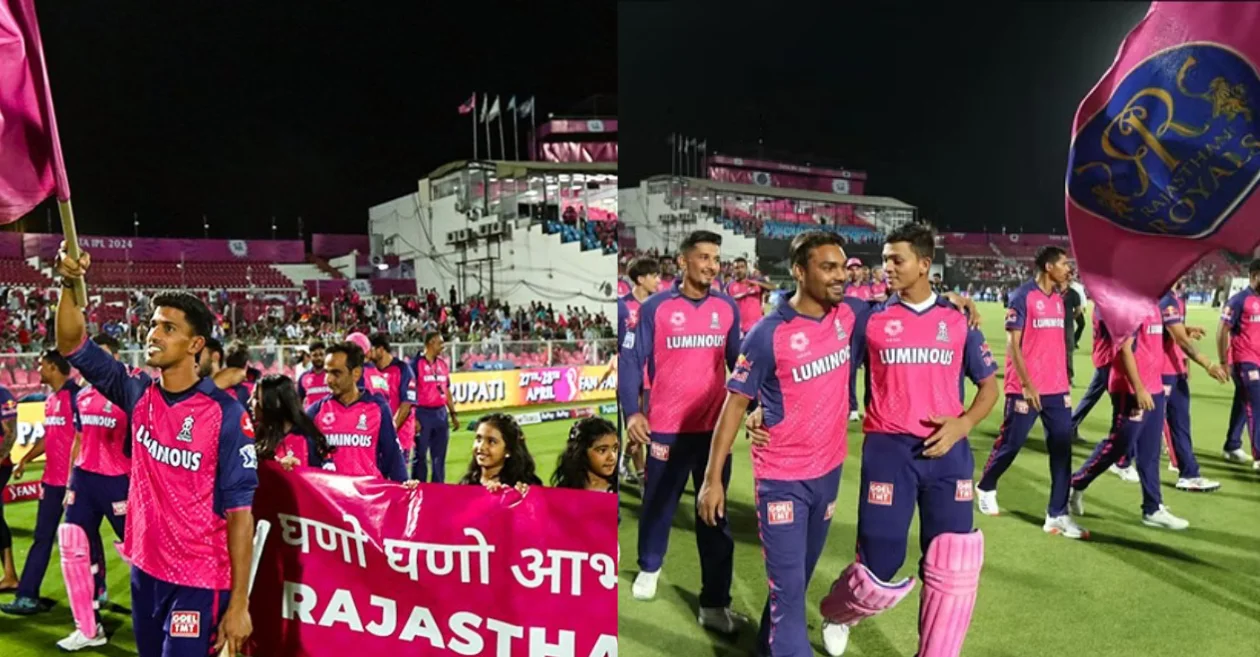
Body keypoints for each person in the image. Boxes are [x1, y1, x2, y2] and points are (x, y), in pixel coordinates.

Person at [53, 246, 259, 657]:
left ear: (194, 343)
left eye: (167, 327)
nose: (153, 333)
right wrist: (67, 283)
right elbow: (72, 342)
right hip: (145, 570)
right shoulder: (137, 393)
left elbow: (240, 515)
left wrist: (239, 602)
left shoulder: (226, 414)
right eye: (152, 324)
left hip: (198, 579)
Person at [816, 223, 998, 657]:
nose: (887, 268)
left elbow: (990, 387)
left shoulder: (957, 322)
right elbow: (831, 360)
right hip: (888, 451)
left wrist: (964, 424)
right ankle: (839, 613)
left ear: (924, 264)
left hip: (948, 452)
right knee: (880, 561)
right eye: (885, 260)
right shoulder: (870, 318)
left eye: (896, 260)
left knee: (952, 561)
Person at [699, 231, 866, 656]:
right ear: (799, 271)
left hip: (828, 475)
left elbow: (897, 308)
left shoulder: (846, 315)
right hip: (782, 481)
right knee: (790, 594)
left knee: (796, 583)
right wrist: (711, 479)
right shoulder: (766, 334)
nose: (839, 277)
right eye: (827, 268)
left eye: (842, 268)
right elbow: (734, 405)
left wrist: (956, 303)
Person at [618, 229, 744, 633]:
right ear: (683, 262)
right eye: (704, 257)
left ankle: (714, 602)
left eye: (715, 259)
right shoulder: (654, 308)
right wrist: (632, 413)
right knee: (658, 504)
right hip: (666, 430)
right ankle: (650, 567)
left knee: (714, 514)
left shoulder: (727, 308)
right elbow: (632, 361)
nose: (711, 265)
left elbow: (739, 365)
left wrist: (757, 408)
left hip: (712, 432)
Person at [975, 246, 1081, 539]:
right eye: (1063, 264)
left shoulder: (1060, 301)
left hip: (1057, 389)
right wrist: (1026, 384)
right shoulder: (1023, 297)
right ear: (1049, 267)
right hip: (1025, 388)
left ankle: (1057, 515)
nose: (1068, 269)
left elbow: (1056, 344)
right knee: (1011, 443)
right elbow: (1013, 345)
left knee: (1062, 450)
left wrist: (1063, 378)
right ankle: (985, 486)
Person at [1069, 301, 1190, 530]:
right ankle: (1075, 483)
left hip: (1154, 386)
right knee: (1118, 445)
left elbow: (1154, 340)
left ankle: (1153, 508)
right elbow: (1125, 348)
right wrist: (1139, 387)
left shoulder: (1154, 304)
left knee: (1150, 451)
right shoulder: (1129, 306)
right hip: (1130, 388)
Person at [55, 334, 133, 650]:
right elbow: (78, 440)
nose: (92, 364)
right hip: (85, 480)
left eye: (99, 357)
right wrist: (71, 481)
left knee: (137, 554)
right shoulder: (83, 395)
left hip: (120, 481)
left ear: (114, 360)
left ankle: (159, 617)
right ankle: (88, 630)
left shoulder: (131, 393)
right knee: (71, 545)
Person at [1, 350, 81, 616]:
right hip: (51, 482)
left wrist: (76, 476)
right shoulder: (52, 400)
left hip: (76, 484)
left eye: (43, 365)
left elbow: (84, 440)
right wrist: (25, 459)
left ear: (55, 368)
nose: (39, 369)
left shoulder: (76, 398)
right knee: (41, 538)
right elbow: (50, 437)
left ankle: (96, 593)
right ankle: (27, 596)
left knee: (83, 540)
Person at [1159, 282, 1229, 492]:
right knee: (1142, 425)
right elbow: (1180, 340)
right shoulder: (1166, 299)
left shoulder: (1176, 298)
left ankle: (1189, 474)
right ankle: (1121, 462)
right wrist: (1208, 364)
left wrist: (1187, 330)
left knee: (1180, 422)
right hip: (1162, 371)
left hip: (1175, 369)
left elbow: (1173, 332)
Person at [305, 343, 408, 482]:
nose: (328, 380)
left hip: (368, 498)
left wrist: (404, 489)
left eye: (336, 373)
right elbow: (307, 460)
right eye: (327, 372)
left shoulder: (378, 408)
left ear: (356, 373)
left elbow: (393, 456)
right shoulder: (315, 412)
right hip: (331, 499)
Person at [617, 256, 661, 485]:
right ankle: (644, 478)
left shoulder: (658, 306)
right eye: (654, 276)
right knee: (636, 428)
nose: (658, 281)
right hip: (631, 376)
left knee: (646, 428)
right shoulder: (623, 307)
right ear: (641, 279)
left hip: (652, 378)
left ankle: (624, 459)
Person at [1218, 259, 1260, 468]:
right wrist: (1224, 362)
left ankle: (1232, 445)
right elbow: (1222, 330)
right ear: (1255, 275)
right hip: (1244, 360)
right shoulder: (1238, 300)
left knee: (1244, 403)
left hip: (1258, 360)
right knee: (1256, 403)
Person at [250, 374, 335, 469]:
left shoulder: (307, 439)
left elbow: (318, 479)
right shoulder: (254, 434)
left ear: (274, 403)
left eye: (256, 398)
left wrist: (296, 473)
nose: (249, 402)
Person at [412, 332, 460, 483]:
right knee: (420, 455)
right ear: (431, 343)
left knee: (439, 456)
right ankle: (419, 488)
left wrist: (452, 413)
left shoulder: (443, 365)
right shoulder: (415, 364)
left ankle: (438, 489)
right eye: (440, 343)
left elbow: (446, 390)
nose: (443, 346)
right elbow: (409, 394)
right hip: (422, 414)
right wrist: (413, 418)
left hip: (440, 414)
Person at [365, 333, 416, 463]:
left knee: (398, 479)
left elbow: (406, 404)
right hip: (375, 437)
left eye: (370, 349)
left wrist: (390, 430)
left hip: (400, 436)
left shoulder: (402, 369)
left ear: (380, 350)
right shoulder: (369, 371)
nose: (367, 353)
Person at [457, 412, 541, 489]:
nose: (481, 447)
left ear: (508, 450)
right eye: (478, 439)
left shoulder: (525, 486)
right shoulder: (467, 483)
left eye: (492, 441)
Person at [550, 417, 618, 492]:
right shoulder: (564, 492)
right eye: (602, 450)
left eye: (615, 449)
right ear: (581, 452)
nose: (612, 457)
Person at [0, 381, 19, 593]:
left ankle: (11, 575)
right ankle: (10, 574)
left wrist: (0, 456)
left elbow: (11, 431)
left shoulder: (2, 393)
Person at [727, 257, 775, 337]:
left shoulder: (755, 283)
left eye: (742, 267)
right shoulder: (730, 286)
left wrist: (758, 283)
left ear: (746, 269)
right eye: (736, 268)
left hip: (756, 326)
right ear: (733, 270)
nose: (739, 270)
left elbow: (773, 287)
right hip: (740, 328)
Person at [296, 340, 331, 408]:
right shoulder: (303, 377)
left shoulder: (332, 375)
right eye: (315, 355)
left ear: (325, 355)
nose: (319, 358)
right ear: (310, 357)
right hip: (310, 417)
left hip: (330, 417)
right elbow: (299, 401)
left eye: (321, 354)